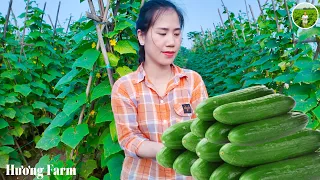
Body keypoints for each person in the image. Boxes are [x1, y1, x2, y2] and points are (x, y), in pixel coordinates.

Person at [111, 0, 208, 179]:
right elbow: (129, 138)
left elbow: (203, 129)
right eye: (162, 33)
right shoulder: (125, 87)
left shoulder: (193, 81)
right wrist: (170, 148)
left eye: (177, 34)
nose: (171, 42)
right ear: (141, 36)